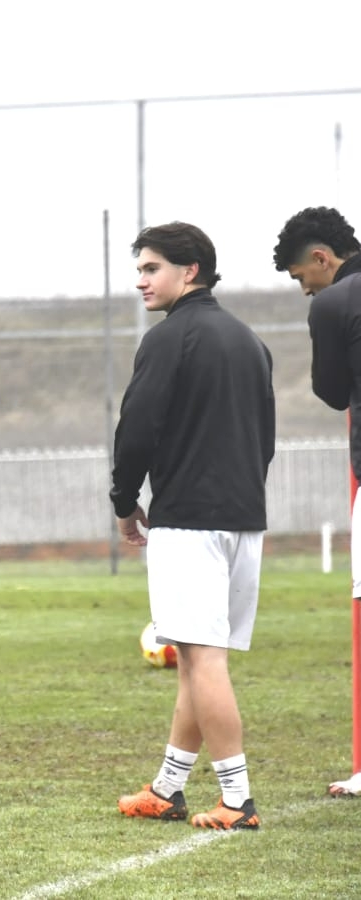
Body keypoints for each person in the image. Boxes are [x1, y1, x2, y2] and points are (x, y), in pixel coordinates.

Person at [112, 222, 274, 830]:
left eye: (152, 268)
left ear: (190, 272)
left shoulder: (169, 338)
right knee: (192, 652)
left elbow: (136, 429)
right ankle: (167, 787)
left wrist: (124, 501)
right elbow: (265, 437)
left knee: (204, 659)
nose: (141, 279)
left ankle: (237, 800)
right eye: (140, 268)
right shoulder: (248, 340)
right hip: (243, 521)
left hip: (189, 523)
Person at [272, 205, 361, 798]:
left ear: (322, 258)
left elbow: (331, 392)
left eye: (302, 277)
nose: (305, 288)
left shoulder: (334, 303)